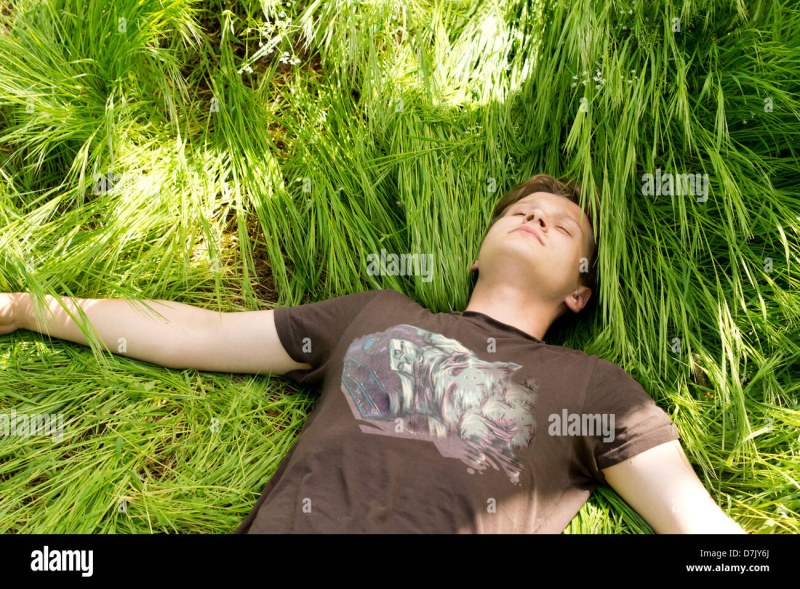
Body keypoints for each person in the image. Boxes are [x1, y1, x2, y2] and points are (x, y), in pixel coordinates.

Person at [0, 174, 745, 533]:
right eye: (520, 210)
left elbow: (696, 523)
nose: (536, 216)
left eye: (562, 224)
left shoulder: (597, 389)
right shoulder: (376, 313)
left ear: (579, 293)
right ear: (477, 257)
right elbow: (197, 331)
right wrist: (24, 306)